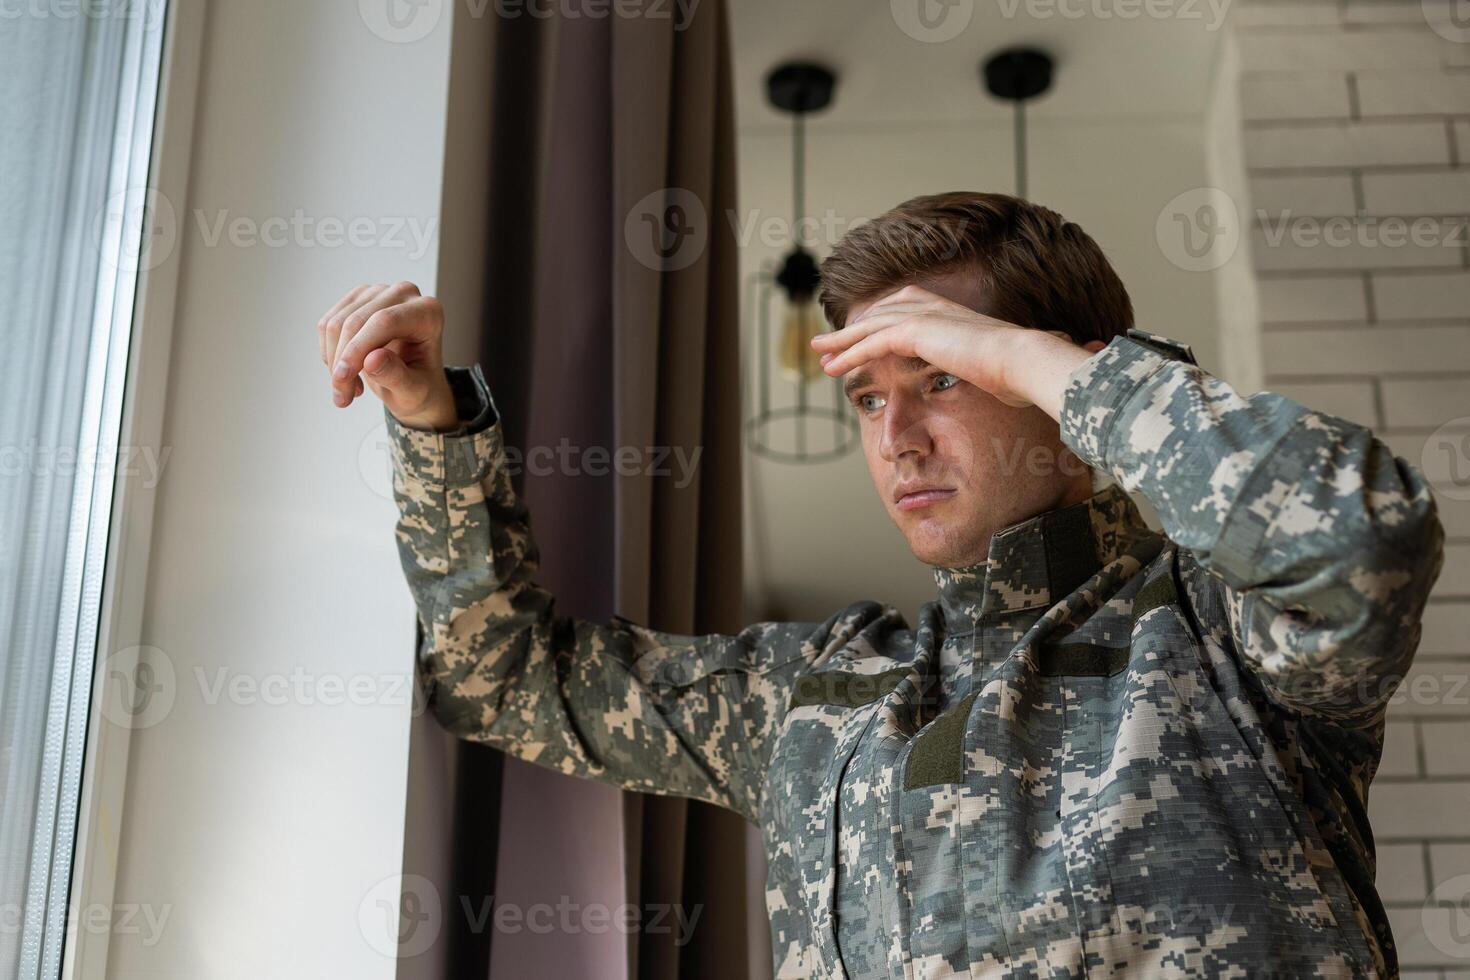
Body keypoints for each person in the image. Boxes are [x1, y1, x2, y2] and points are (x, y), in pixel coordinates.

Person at [317, 192, 1443, 979]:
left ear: (1055, 383)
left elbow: (1359, 537)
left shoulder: (1222, 636)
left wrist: (1057, 368)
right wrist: (433, 423)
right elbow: (506, 677)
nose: (895, 435)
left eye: (941, 375)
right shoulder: (815, 693)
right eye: (866, 395)